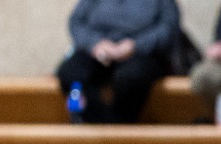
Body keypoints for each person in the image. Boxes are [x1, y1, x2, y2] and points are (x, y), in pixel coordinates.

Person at [56, 0, 184, 124]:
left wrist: (135, 45)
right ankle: (108, 126)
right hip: (99, 50)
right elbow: (76, 22)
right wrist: (95, 44)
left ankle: (114, 130)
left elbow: (169, 27)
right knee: (70, 73)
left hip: (142, 53)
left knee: (131, 78)